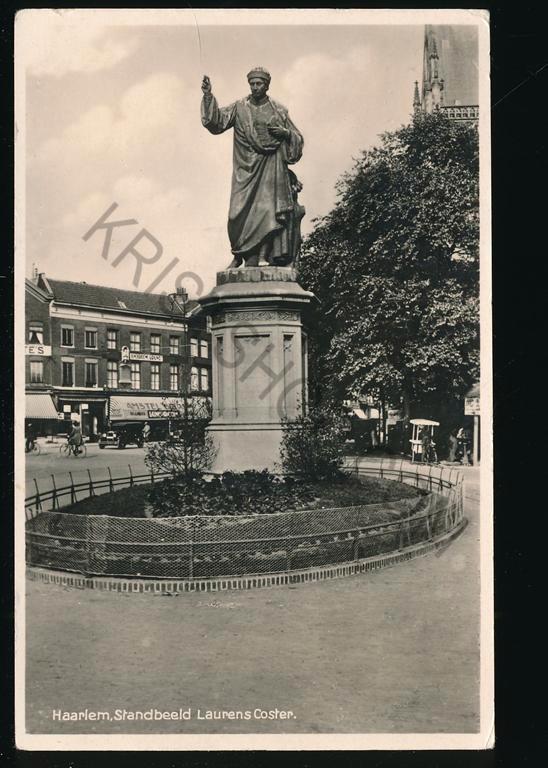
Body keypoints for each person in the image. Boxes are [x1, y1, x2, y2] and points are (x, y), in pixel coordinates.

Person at [201, 68, 305, 268]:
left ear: (267, 85)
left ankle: (261, 257)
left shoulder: (279, 110)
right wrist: (207, 97)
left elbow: (297, 138)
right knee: (237, 213)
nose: (256, 87)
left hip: (271, 167)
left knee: (267, 210)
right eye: (253, 84)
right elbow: (217, 122)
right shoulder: (240, 107)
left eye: (260, 84)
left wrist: (285, 133)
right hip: (244, 170)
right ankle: (241, 253)